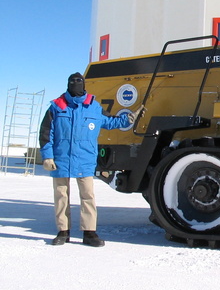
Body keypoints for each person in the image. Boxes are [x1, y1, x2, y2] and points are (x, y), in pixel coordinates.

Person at [39, 72, 144, 247]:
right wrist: (47, 156)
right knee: (61, 196)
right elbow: (45, 134)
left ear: (84, 84)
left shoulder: (94, 107)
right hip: (60, 159)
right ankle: (63, 232)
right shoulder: (56, 107)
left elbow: (112, 122)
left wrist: (130, 119)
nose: (75, 85)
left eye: (78, 82)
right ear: (68, 84)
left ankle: (89, 233)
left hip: (85, 159)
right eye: (72, 82)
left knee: (87, 196)